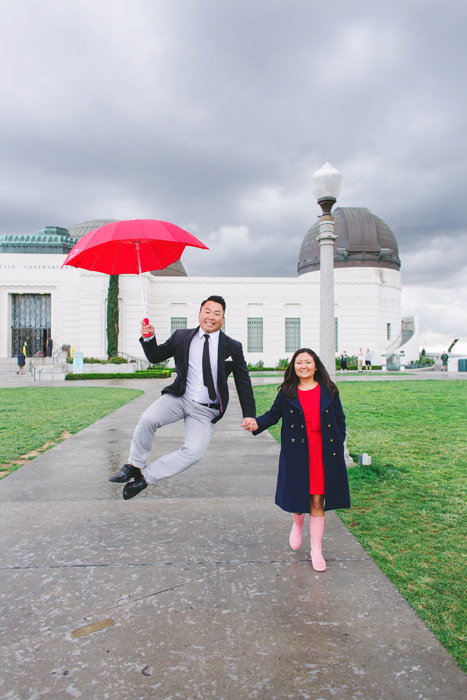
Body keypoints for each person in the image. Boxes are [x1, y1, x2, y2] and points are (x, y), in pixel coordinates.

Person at [109, 296, 257, 500]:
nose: (211, 317)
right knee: (148, 419)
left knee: (194, 452)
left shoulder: (232, 347)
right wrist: (149, 338)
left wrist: (249, 414)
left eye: (217, 313)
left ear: (223, 318)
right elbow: (155, 357)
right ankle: (134, 465)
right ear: (199, 314)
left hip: (206, 409)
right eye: (207, 311)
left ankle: (146, 477)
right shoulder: (182, 337)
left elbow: (243, 381)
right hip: (180, 398)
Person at [244, 348, 350, 572]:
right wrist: (256, 423)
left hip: (323, 453)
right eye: (299, 362)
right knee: (298, 499)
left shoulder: (329, 390)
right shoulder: (287, 391)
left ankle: (316, 550)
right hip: (297, 452)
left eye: (308, 362)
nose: (303, 366)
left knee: (317, 500)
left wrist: (338, 441)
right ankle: (297, 522)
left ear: (315, 365)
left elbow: (340, 419)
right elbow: (273, 415)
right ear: (294, 367)